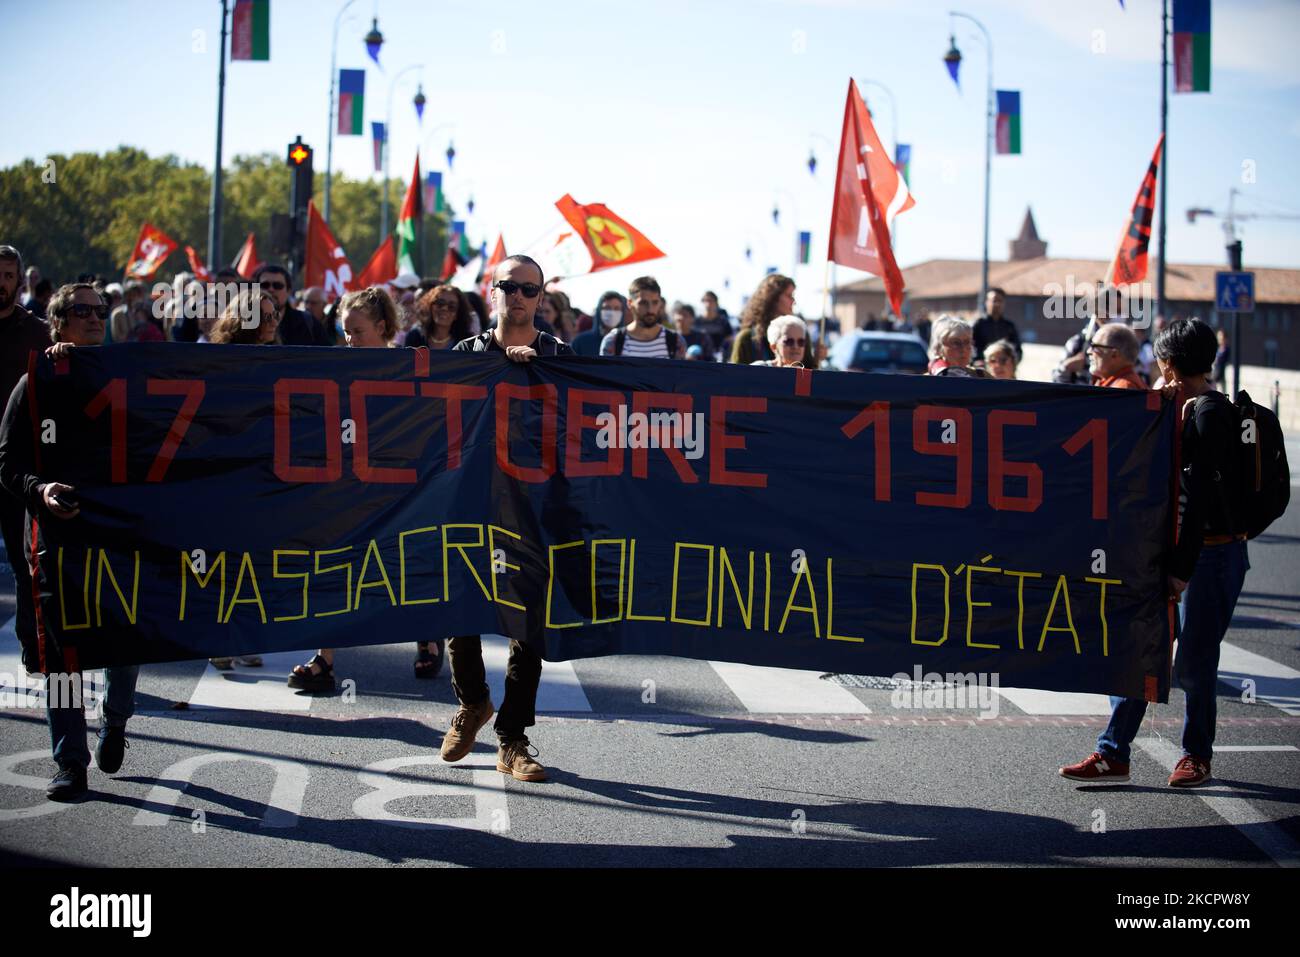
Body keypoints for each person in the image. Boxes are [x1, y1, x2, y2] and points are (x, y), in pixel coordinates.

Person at [1061, 319, 1247, 788]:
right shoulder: (1176, 408)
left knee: (1194, 661)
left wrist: (1182, 569)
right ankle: (1113, 752)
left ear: (1168, 362)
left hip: (1211, 556)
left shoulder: (1208, 414)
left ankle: (1196, 756)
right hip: (1173, 552)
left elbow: (1200, 499)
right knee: (1142, 646)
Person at [0, 282, 140, 800]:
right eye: (81, 310)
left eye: (100, 310)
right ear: (57, 322)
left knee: (126, 643)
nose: (95, 317)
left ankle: (117, 720)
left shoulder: (129, 373)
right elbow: (6, 463)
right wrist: (41, 489)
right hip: (57, 542)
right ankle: (69, 762)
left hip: (121, 538)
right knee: (62, 656)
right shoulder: (35, 382)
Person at [443, 254, 575, 784]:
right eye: (508, 287)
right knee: (459, 610)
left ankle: (513, 740)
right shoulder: (465, 355)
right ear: (491, 292)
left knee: (528, 626)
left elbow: (581, 427)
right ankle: (472, 703)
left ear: (541, 299)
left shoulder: (560, 357)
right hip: (473, 503)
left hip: (534, 509)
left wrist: (537, 374)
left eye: (528, 289)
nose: (517, 296)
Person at [0, 246, 52, 675]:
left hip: (16, 464)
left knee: (23, 563)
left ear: (20, 281)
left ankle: (34, 649)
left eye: (8, 275)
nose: (2, 282)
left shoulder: (36, 334)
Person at [730, 275, 814, 367]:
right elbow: (736, 377)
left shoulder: (799, 335)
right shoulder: (746, 338)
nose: (793, 301)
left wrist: (817, 358)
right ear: (772, 298)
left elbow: (808, 373)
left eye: (801, 343)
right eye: (789, 295)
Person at [600, 276, 685, 358]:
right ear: (630, 303)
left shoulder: (676, 341)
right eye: (643, 303)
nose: (650, 310)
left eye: (655, 302)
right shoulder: (613, 341)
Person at [255, 264, 329, 345]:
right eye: (264, 285)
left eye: (278, 286)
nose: (271, 289)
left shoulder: (309, 324)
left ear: (289, 291)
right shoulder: (245, 325)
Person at [408, 284, 474, 351]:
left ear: (458, 313)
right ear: (430, 307)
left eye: (452, 306)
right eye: (440, 303)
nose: (444, 309)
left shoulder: (468, 343)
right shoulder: (415, 337)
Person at [1088, 322, 1146, 389]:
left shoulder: (1123, 388)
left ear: (1114, 354)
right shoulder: (1115, 384)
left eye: (1094, 347)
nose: (1089, 351)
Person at [972, 287, 1021, 359]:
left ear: (1004, 303)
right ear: (986, 302)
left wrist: (1012, 362)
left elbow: (1017, 350)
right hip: (982, 367)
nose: (997, 304)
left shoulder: (1009, 326)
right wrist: (977, 361)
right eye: (994, 300)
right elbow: (971, 347)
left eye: (1000, 301)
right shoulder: (978, 324)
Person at [572, 291, 626, 357]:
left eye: (616, 308)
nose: (612, 312)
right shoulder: (581, 341)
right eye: (607, 308)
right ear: (599, 311)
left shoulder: (628, 342)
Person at [697, 290, 733, 357]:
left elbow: (729, 339)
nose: (708, 304)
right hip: (700, 357)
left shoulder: (723, 321)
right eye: (706, 300)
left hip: (719, 357)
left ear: (716, 303)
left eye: (711, 301)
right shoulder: (697, 321)